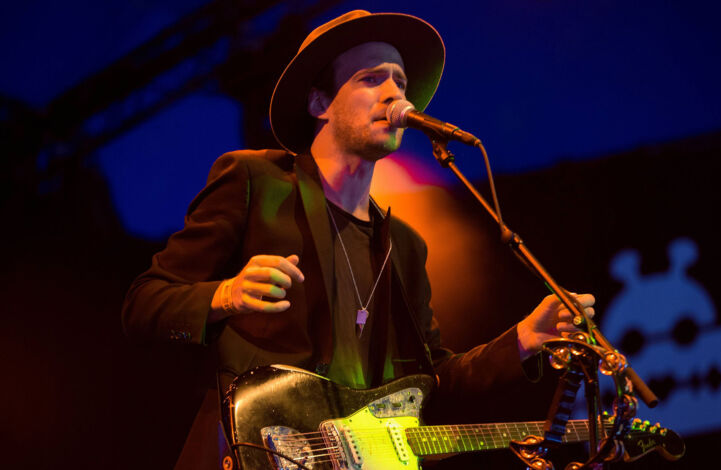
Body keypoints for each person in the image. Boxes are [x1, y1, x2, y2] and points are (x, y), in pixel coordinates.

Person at [122, 10, 595, 469]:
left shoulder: (405, 246)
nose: (394, 92)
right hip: (251, 455)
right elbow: (144, 304)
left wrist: (522, 340)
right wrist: (225, 295)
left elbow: (431, 382)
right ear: (318, 103)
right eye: (372, 78)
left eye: (401, 81)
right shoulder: (253, 181)